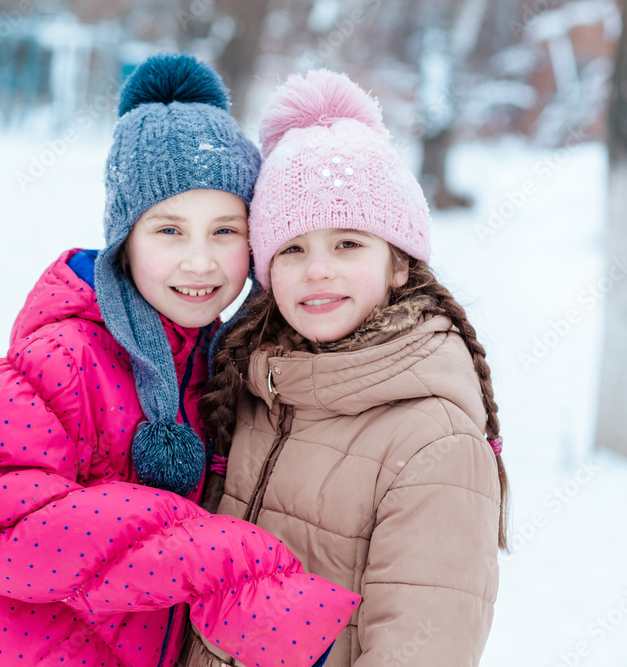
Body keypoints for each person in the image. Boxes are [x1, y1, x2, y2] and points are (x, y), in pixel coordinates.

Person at [0, 54, 359, 667]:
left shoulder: (221, 368)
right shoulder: (61, 359)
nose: (200, 262)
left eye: (226, 232)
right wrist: (222, 566)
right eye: (169, 231)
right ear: (124, 240)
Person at [191, 70, 508, 666]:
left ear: (398, 265)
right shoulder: (250, 385)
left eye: (348, 244)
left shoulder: (434, 443)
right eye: (292, 248)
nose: (318, 271)